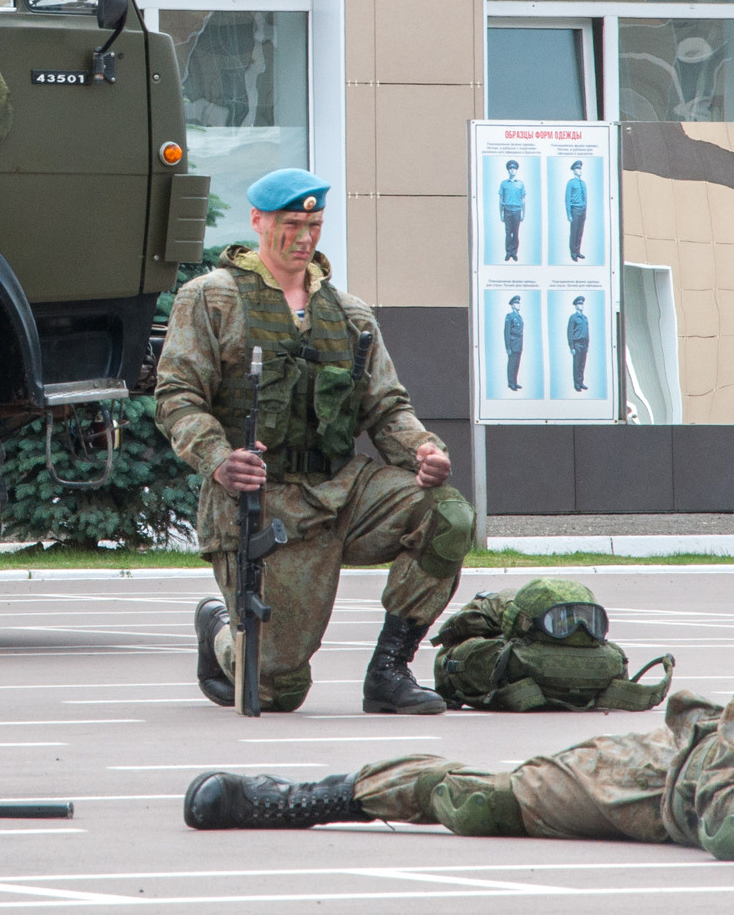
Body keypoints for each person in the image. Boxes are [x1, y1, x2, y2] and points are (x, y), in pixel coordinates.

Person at [183, 572, 734, 870]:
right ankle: (318, 794)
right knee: (486, 801)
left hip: (729, 796)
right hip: (659, 784)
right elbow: (722, 825)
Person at [155, 168, 471, 715]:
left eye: (314, 225)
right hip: (261, 505)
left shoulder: (349, 314)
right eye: (291, 224)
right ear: (258, 221)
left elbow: (386, 406)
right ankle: (221, 634)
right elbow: (177, 397)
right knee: (277, 689)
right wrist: (219, 459)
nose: (304, 237)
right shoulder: (211, 299)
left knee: (447, 514)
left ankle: (389, 671)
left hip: (341, 491)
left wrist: (422, 450)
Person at [498, 160, 526, 263]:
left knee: (515, 233)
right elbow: (500, 200)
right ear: (508, 170)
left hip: (517, 211)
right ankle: (508, 252)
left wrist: (523, 213)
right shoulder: (504, 184)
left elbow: (523, 200)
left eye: (514, 168)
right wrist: (501, 214)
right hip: (507, 211)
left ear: (516, 170)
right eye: (510, 169)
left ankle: (514, 253)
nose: (512, 170)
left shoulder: (520, 184)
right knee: (508, 233)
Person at [564, 161, 589, 262]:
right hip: (575, 209)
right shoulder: (571, 183)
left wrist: (585, 211)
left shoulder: (583, 183)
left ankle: (578, 251)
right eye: (578, 169)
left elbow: (585, 199)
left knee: (580, 232)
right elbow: (567, 199)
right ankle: (573, 253)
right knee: (574, 232)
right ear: (574, 171)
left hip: (582, 210)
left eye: (580, 169)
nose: (580, 171)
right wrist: (569, 214)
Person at [566, 294, 591, 393]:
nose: (582, 306)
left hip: (584, 344)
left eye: (582, 304)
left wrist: (587, 344)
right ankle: (576, 384)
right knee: (576, 365)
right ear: (576, 306)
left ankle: (581, 382)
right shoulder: (573, 318)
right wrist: (571, 346)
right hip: (577, 343)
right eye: (579, 304)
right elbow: (570, 332)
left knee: (582, 364)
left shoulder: (585, 318)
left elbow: (587, 332)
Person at [502, 294, 524, 392]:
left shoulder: (520, 317)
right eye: (516, 303)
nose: (519, 305)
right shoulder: (509, 316)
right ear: (512, 305)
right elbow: (506, 332)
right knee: (511, 364)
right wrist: (508, 347)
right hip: (512, 344)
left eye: (519, 303)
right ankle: (511, 383)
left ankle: (515, 382)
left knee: (516, 364)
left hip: (519, 344)